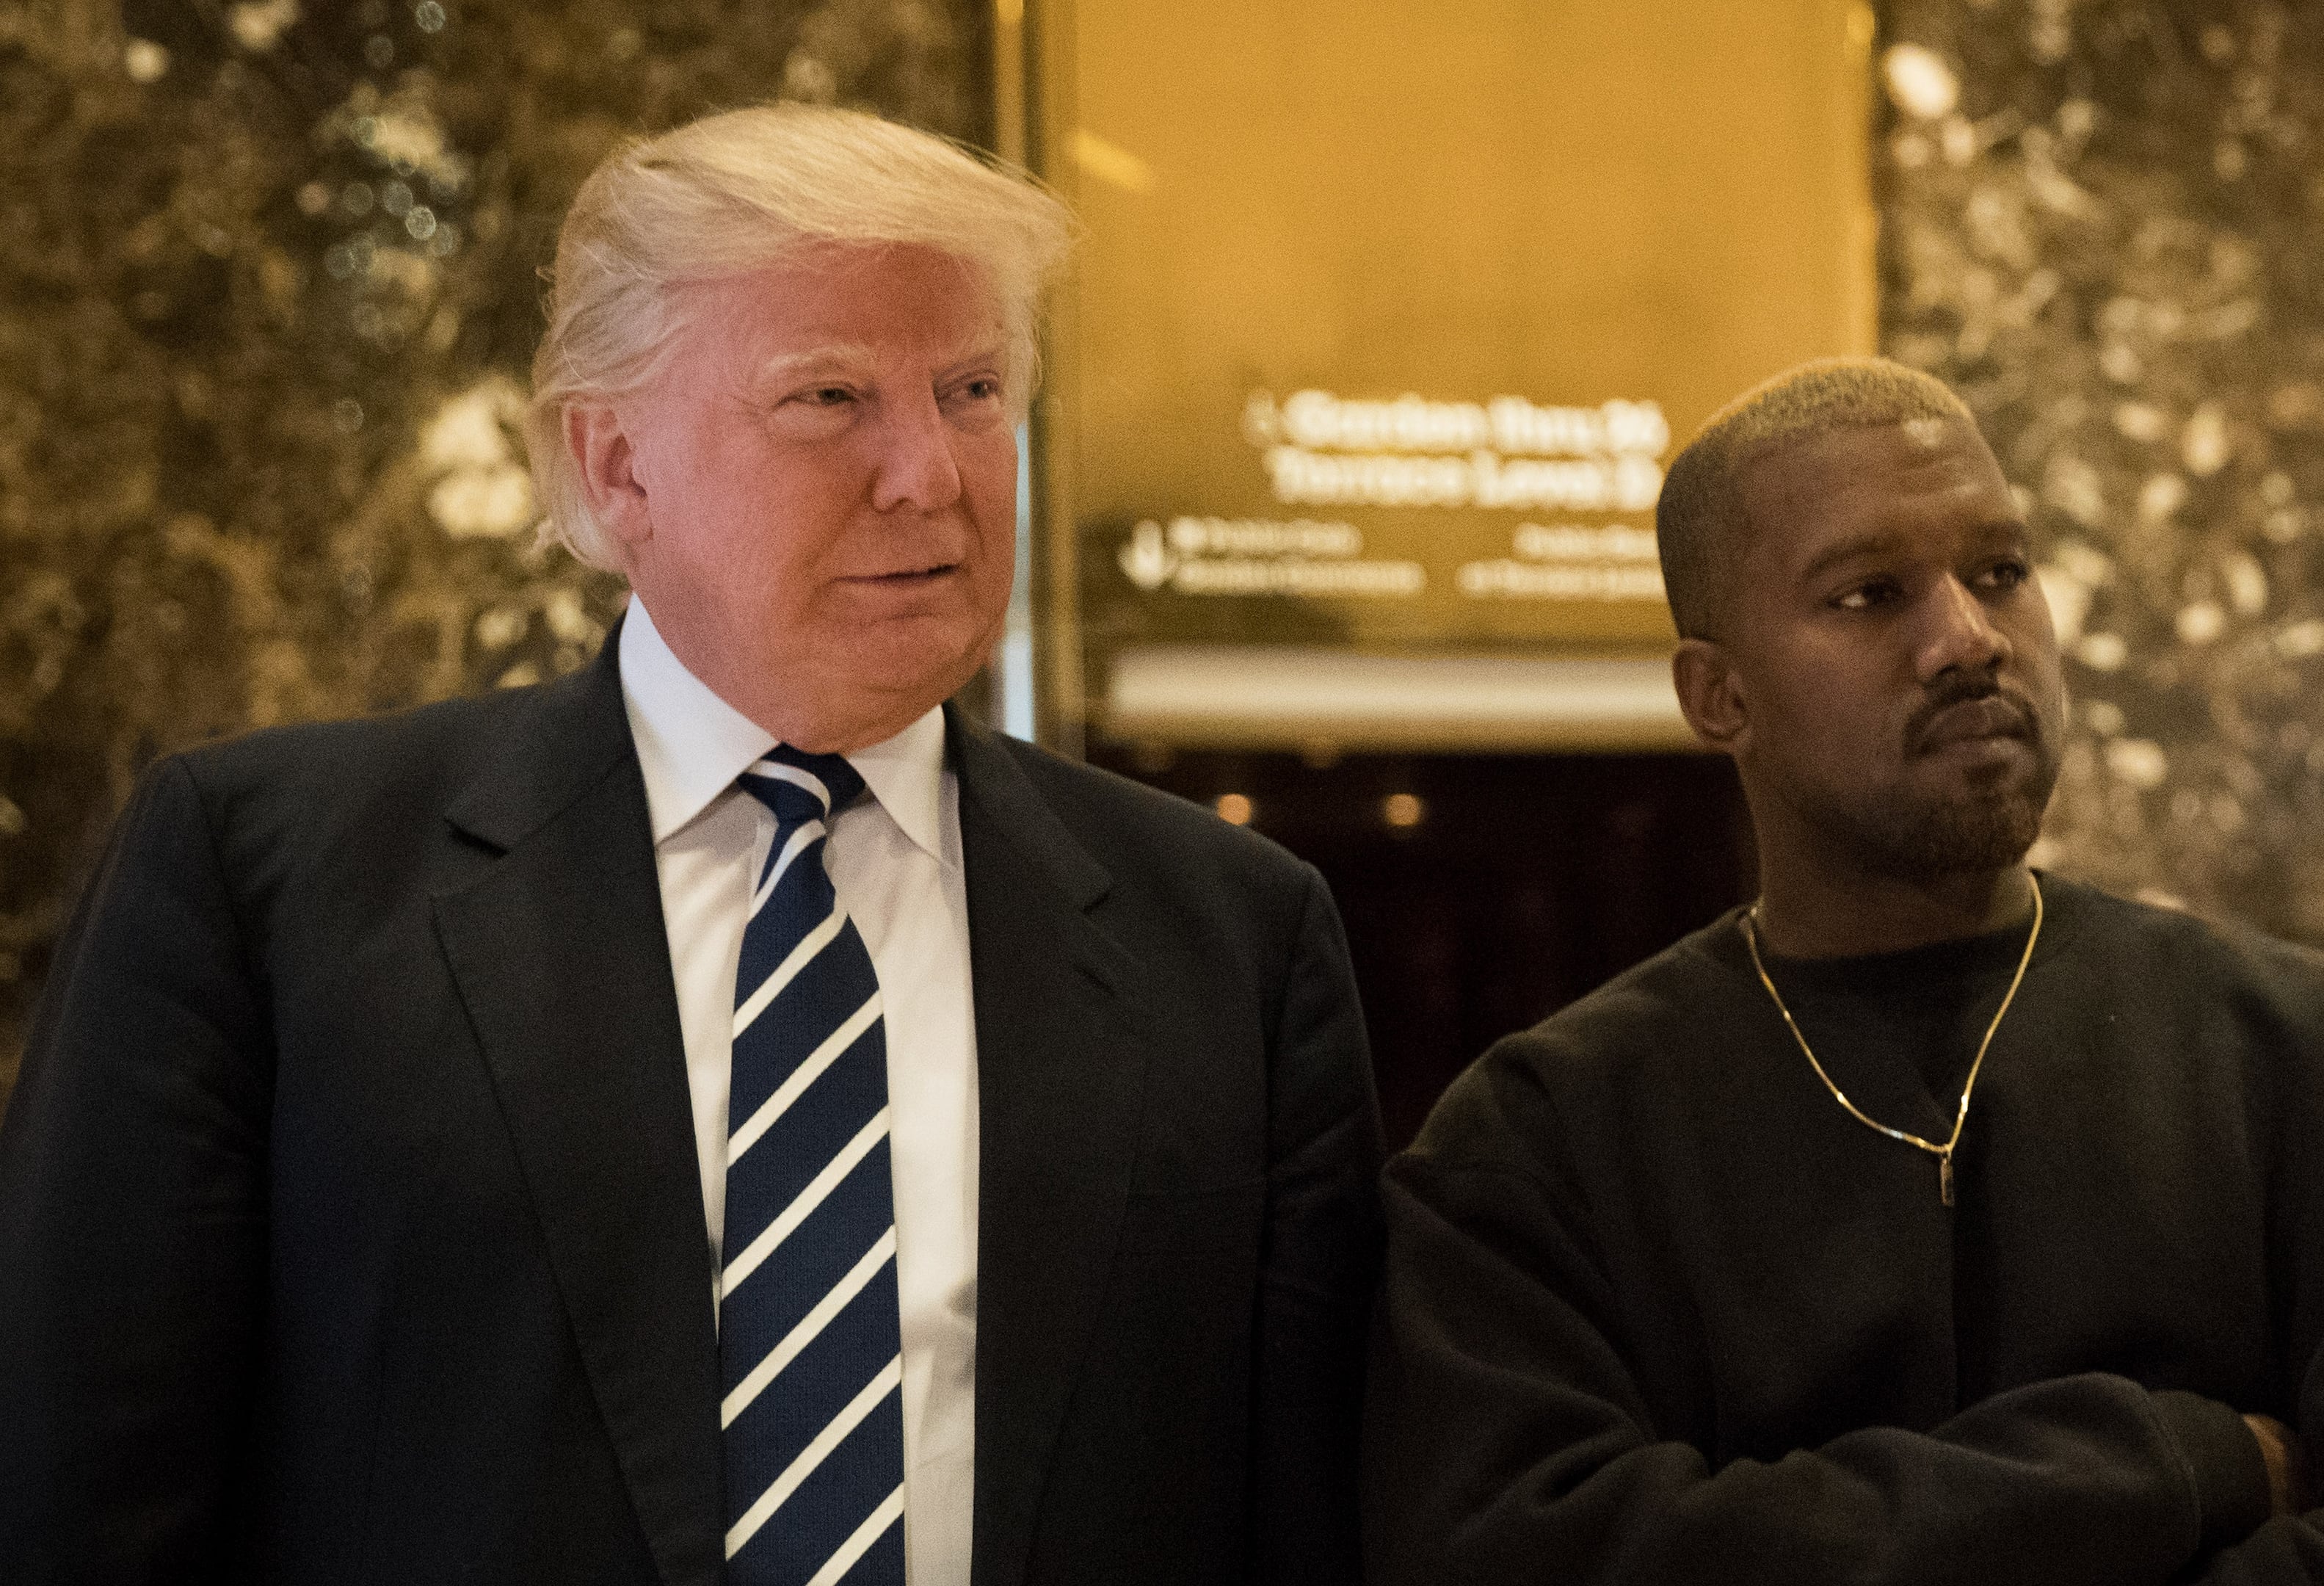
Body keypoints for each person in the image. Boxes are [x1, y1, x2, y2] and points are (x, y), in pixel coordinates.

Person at [0, 105, 1383, 1586]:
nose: (929, 473)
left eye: (973, 389)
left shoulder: (1232, 938)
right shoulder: (270, 880)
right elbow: (76, 1492)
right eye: (831, 396)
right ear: (616, 469)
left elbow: (1318, 1514)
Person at [1362, 357, 2324, 1584]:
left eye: (2001, 572)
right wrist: (2172, 1465)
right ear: (1719, 697)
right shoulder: (1540, 1153)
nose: (1967, 639)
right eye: (1870, 594)